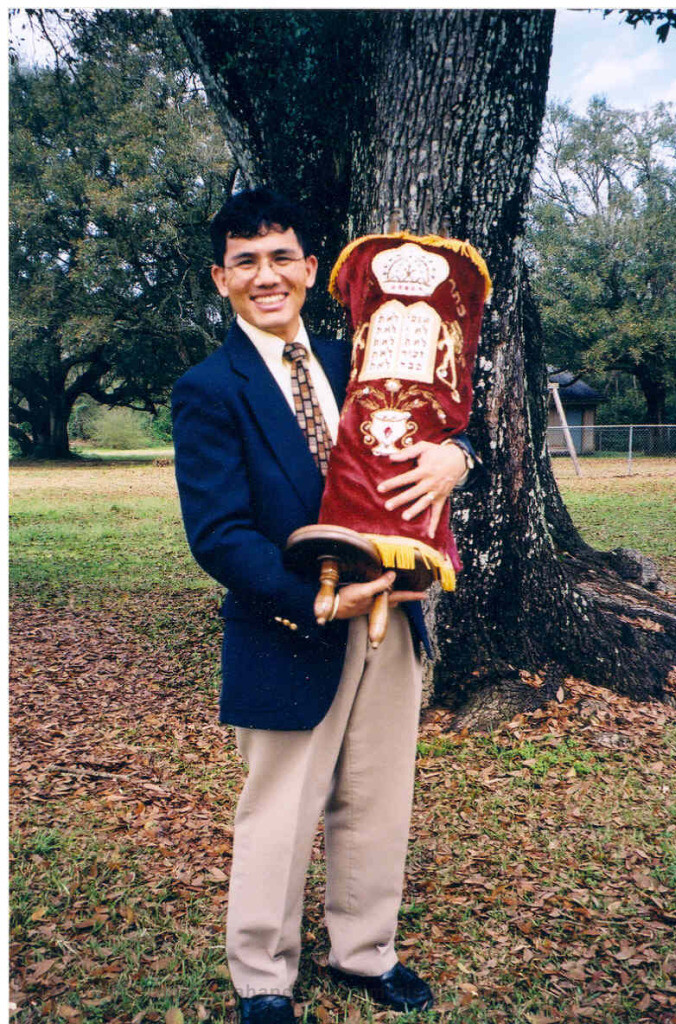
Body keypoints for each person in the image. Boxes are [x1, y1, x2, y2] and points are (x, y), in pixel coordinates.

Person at [172, 188, 474, 1024]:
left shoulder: (366, 355)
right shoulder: (208, 388)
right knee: (279, 806)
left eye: (280, 258)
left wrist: (457, 455)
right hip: (287, 622)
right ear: (221, 279)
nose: (265, 276)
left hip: (395, 611)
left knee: (377, 795)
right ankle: (263, 977)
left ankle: (364, 952)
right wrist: (315, 600)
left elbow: (442, 405)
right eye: (245, 262)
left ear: (311, 269)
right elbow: (219, 534)